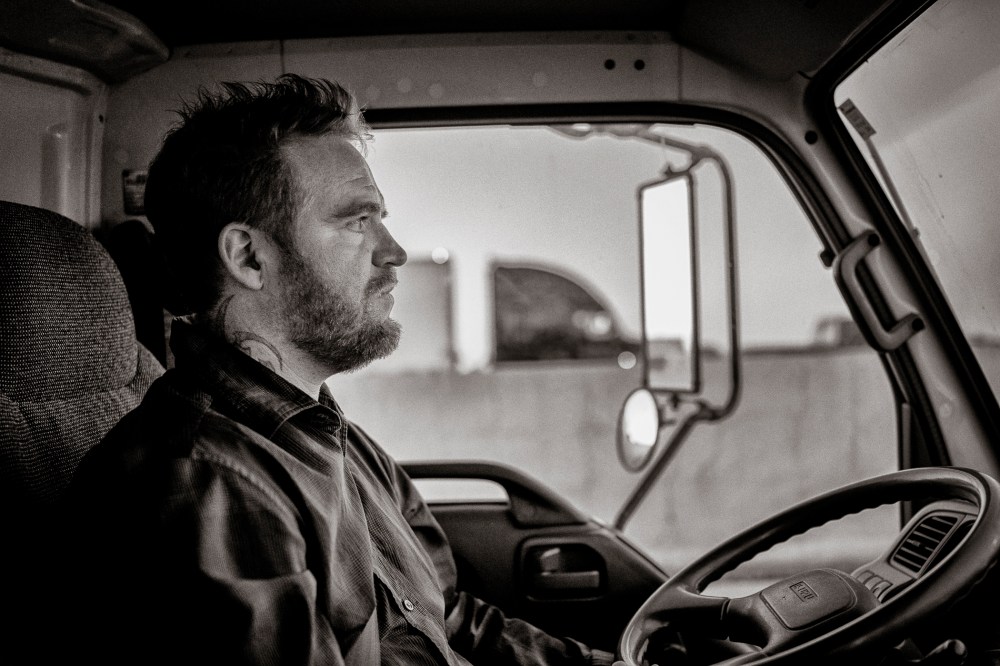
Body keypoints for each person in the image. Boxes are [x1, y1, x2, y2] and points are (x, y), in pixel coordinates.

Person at [64, 74, 616, 666]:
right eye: (357, 221)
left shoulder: (326, 434)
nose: (393, 250)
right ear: (249, 256)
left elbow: (446, 618)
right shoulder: (210, 482)